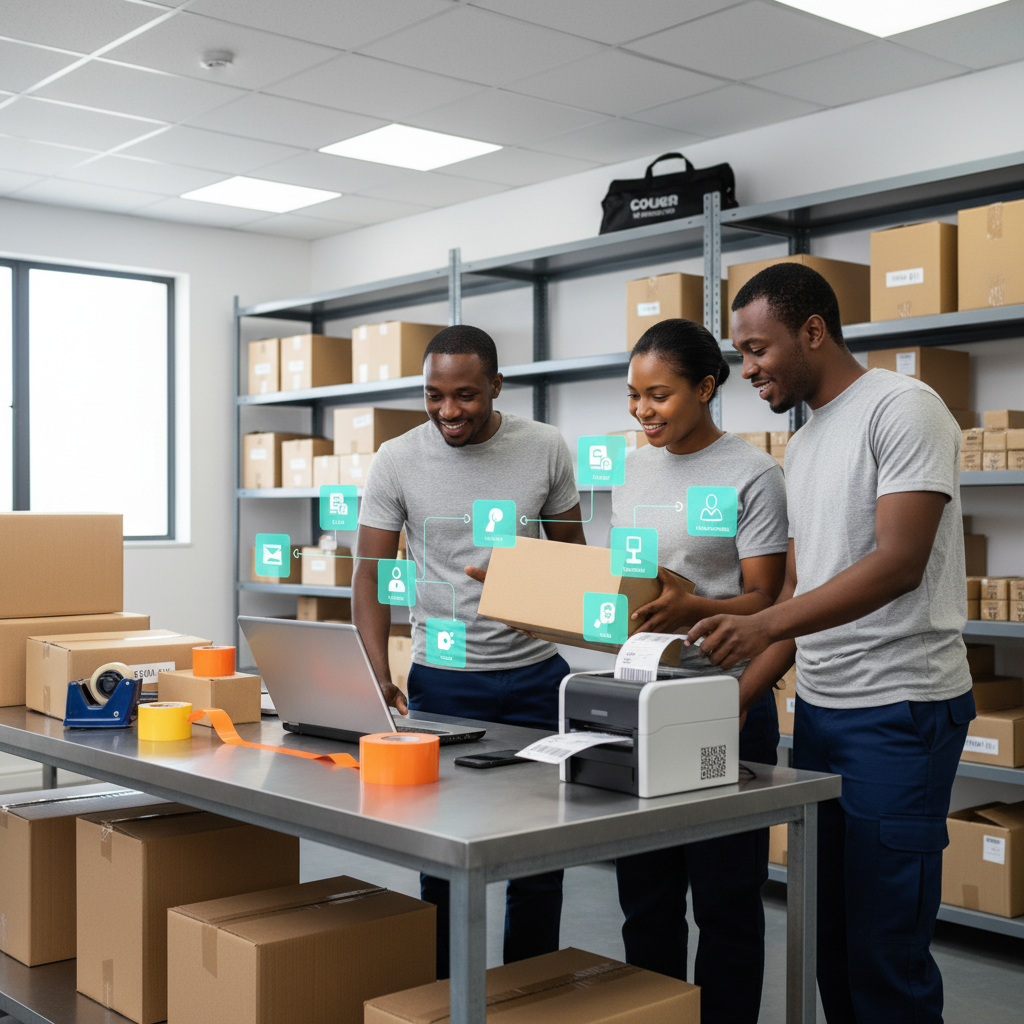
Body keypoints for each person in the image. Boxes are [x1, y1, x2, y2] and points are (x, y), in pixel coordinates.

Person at [688, 263, 975, 1024]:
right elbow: (795, 596)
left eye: (756, 350)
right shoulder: (807, 442)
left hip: (900, 712)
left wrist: (765, 625)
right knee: (828, 942)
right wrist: (729, 701)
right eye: (740, 354)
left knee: (885, 950)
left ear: (813, 331)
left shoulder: (904, 409)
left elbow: (898, 563)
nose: (745, 370)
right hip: (819, 712)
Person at [351, 324, 587, 979]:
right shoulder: (397, 459)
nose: (448, 411)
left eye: (465, 396)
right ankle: (443, 999)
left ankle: (527, 993)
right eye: (434, 395)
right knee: (446, 859)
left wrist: (533, 590)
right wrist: (377, 672)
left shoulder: (543, 448)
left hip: (539, 679)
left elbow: (572, 559)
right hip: (444, 683)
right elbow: (368, 573)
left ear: (495, 388)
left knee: (539, 856)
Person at [610, 318, 789, 1023]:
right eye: (633, 395)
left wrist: (691, 607)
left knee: (725, 903)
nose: (642, 411)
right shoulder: (630, 470)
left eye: (658, 395)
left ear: (706, 388)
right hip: (640, 702)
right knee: (645, 900)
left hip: (724, 703)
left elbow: (770, 601)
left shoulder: (753, 472)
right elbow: (630, 585)